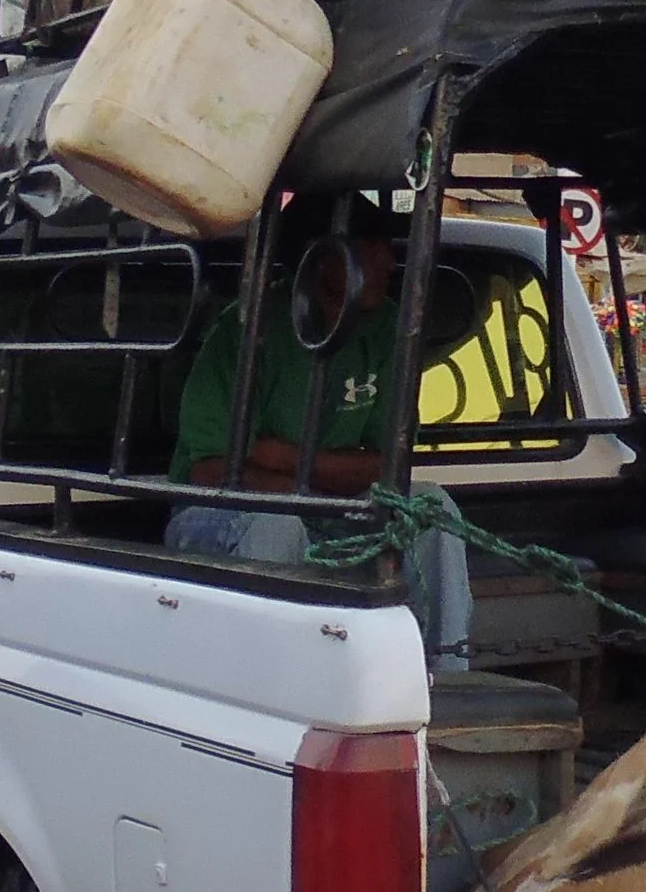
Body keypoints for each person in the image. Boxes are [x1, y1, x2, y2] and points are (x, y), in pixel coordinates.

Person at [168, 194, 469, 665]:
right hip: (221, 517)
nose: (391, 261)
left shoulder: (390, 325)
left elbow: (390, 465)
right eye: (373, 244)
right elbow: (210, 473)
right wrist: (321, 486)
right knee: (278, 525)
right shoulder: (246, 330)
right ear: (321, 254)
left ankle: (446, 680)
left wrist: (280, 456)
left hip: (335, 510)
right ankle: (280, 688)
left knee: (432, 506)